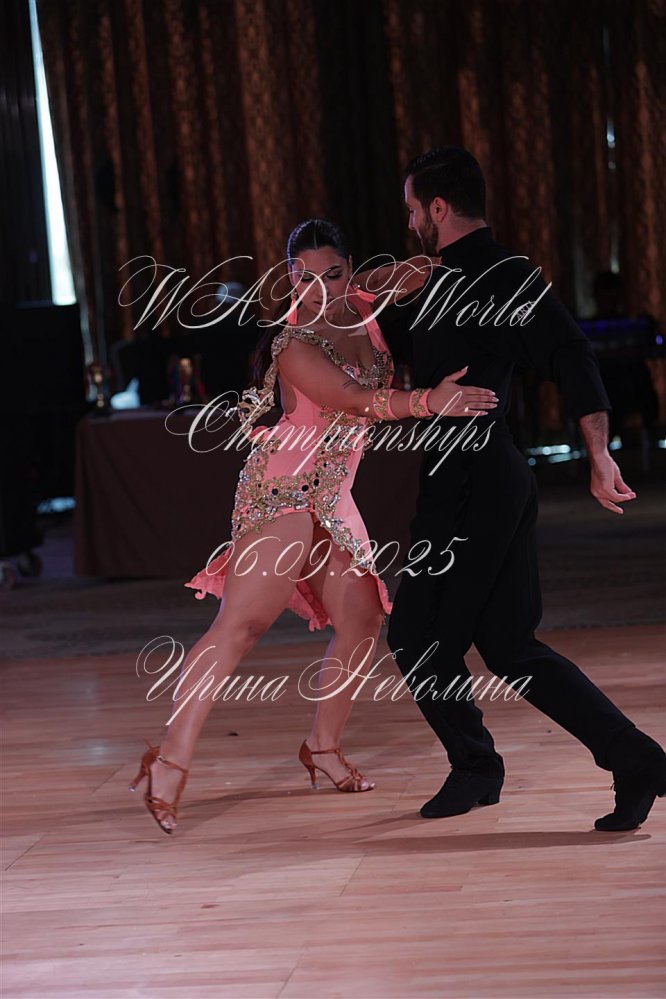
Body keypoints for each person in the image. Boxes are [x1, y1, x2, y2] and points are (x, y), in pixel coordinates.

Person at [129, 217, 499, 833]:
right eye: (305, 279)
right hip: (281, 488)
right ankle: (168, 761)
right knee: (242, 625)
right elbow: (353, 400)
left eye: (333, 274)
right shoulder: (292, 343)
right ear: (289, 279)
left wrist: (451, 263)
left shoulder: (362, 301)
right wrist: (430, 400)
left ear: (350, 271)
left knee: (363, 619)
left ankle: (322, 748)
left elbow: (412, 271)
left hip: (333, 494)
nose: (321, 289)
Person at [386, 146, 665, 831]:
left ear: (439, 208)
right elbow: (376, 336)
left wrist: (599, 454)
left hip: (474, 482)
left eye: (415, 209)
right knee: (510, 645)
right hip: (484, 476)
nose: (411, 222)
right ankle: (634, 760)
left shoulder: (501, 276)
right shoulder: (434, 281)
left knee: (417, 632)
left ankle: (476, 766)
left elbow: (571, 353)